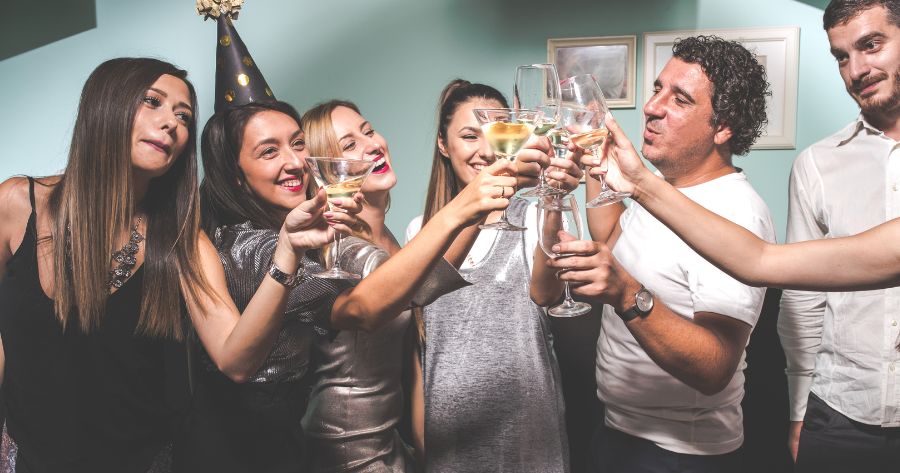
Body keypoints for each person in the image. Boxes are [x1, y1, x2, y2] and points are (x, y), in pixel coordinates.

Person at [0, 58, 348, 473]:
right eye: (153, 102)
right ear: (106, 104)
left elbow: (236, 359)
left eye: (183, 116)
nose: (171, 123)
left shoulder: (181, 240)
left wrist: (287, 251)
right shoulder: (16, 203)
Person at [533, 36, 775, 472]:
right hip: (616, 432)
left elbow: (715, 367)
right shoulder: (662, 188)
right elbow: (611, 236)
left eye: (680, 99)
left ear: (723, 126)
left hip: (682, 454)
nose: (651, 107)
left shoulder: (735, 212)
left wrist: (626, 294)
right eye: (657, 89)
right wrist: (596, 159)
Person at [299, 99, 518, 472]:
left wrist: (422, 448)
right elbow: (414, 288)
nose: (372, 145)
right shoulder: (340, 250)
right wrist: (472, 204)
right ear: (326, 171)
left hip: (387, 440)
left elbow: (412, 354)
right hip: (346, 444)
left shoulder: (390, 240)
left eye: (368, 131)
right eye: (349, 145)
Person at [406, 79, 583, 473]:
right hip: (450, 439)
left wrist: (553, 198)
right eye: (469, 136)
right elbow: (421, 344)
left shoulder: (533, 215)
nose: (486, 150)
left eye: (497, 134)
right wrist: (422, 438)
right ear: (443, 144)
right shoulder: (421, 231)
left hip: (527, 438)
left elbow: (547, 294)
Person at [776, 1, 900, 469]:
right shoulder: (816, 164)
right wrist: (799, 410)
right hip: (839, 414)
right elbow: (803, 298)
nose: (857, 69)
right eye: (842, 56)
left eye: (872, 45)